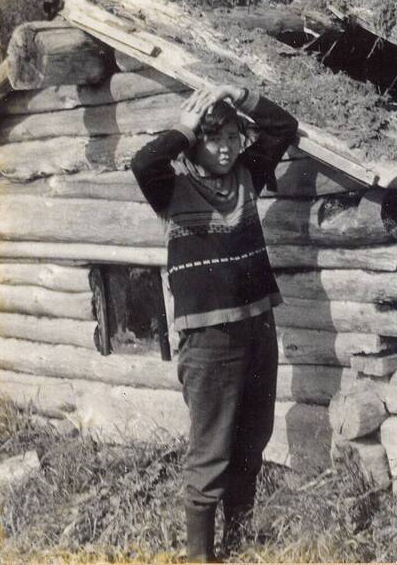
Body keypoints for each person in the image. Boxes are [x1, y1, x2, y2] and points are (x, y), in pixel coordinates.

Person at [132, 84, 299, 562]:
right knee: (211, 452)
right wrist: (184, 128)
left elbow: (282, 127)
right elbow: (144, 163)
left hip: (258, 326)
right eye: (212, 138)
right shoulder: (170, 188)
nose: (225, 147)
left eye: (231, 137)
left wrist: (239, 95)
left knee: (252, 438)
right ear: (195, 143)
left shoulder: (248, 175)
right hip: (208, 340)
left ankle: (238, 540)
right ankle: (200, 557)